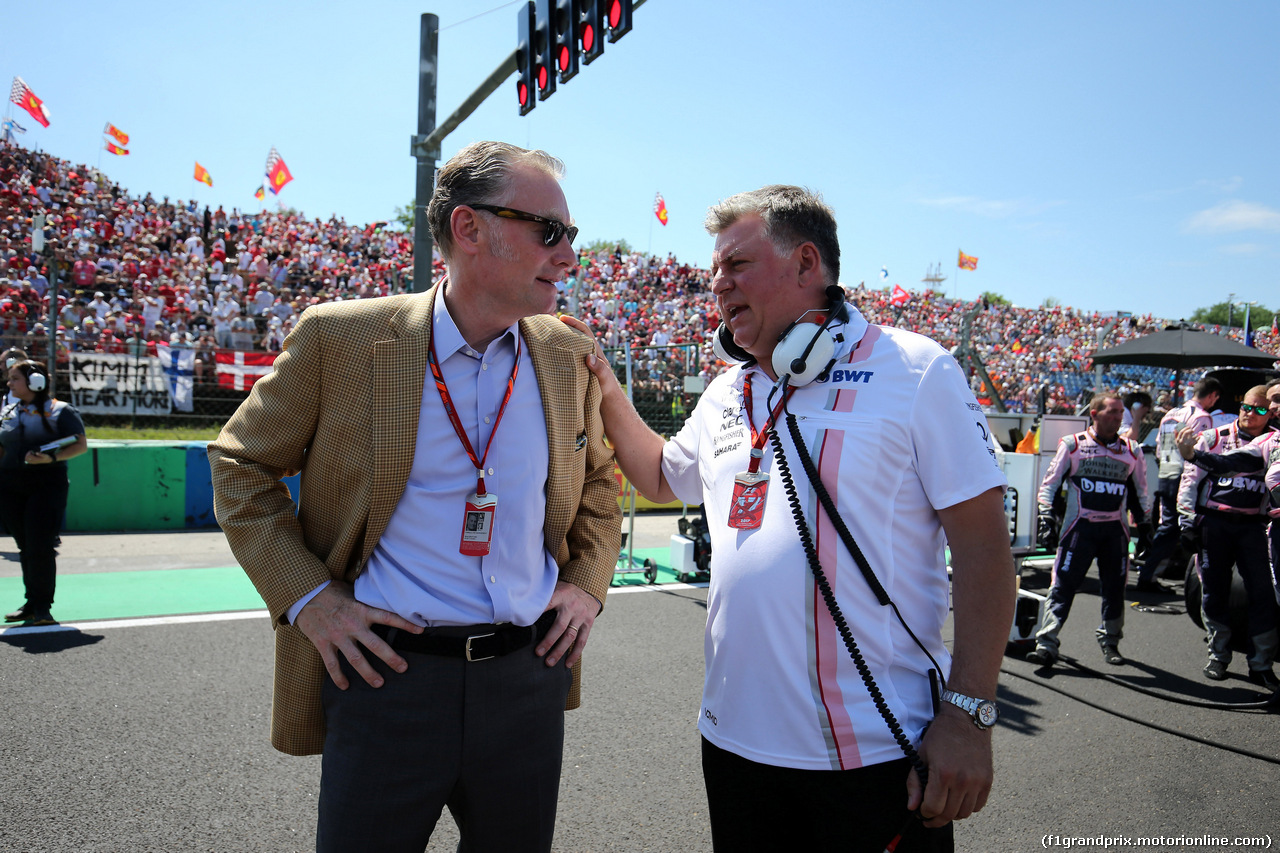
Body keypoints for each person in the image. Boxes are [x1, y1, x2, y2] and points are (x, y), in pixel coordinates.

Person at [566, 185, 1015, 851]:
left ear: (807, 264)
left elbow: (984, 553)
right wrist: (605, 383)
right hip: (732, 744)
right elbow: (663, 475)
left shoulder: (916, 370)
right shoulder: (729, 389)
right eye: (713, 269)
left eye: (736, 265)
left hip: (872, 755)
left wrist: (970, 714)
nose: (716, 284)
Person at [208, 141, 620, 853]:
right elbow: (241, 467)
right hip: (387, 680)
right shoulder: (340, 337)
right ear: (468, 229)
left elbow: (601, 487)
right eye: (548, 231)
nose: (569, 256)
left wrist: (585, 585)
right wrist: (312, 600)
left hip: (529, 682)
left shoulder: (568, 352)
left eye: (571, 234)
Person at [1028, 392, 1151, 667]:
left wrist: (1146, 524)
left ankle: (1110, 641)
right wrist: (1046, 518)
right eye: (1112, 412)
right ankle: (1046, 643)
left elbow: (1140, 492)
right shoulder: (1073, 445)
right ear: (1094, 414)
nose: (1118, 417)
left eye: (1121, 412)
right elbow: (1048, 485)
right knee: (1061, 585)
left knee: (1115, 588)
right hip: (1078, 529)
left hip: (1115, 533)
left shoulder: (1132, 450)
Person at [1175, 385, 1277, 688]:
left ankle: (1260, 664)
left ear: (1270, 413)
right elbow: (1189, 481)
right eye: (1246, 407)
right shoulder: (1213, 437)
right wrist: (1186, 522)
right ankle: (1218, 655)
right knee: (1214, 590)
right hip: (1214, 523)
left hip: (1253, 527)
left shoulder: (1271, 442)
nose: (1250, 414)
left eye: (1260, 410)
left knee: (1264, 593)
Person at [1, 360, 87, 626]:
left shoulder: (61, 410)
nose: (9, 383)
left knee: (40, 545)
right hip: (10, 485)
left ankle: (42, 607)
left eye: (14, 378)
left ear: (35, 382)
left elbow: (80, 445)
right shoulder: (8, 410)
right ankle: (30, 603)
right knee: (25, 546)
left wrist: (50, 459)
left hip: (46, 485)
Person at [1136, 377, 1221, 590]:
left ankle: (1152, 572)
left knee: (1168, 524)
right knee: (1176, 526)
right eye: (1215, 398)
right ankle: (1150, 575)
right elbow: (1198, 449)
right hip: (1183, 474)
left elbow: (1158, 446)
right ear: (1211, 395)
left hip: (1165, 471)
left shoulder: (1170, 413)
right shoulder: (1201, 416)